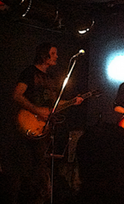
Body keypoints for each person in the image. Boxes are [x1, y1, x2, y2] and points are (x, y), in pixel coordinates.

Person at [11, 42, 84, 204]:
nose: (57, 56)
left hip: (44, 127)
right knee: (28, 166)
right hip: (29, 121)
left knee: (41, 164)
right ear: (44, 55)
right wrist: (37, 111)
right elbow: (17, 95)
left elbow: (53, 105)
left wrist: (72, 102)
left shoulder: (50, 77)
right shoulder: (29, 72)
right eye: (53, 53)